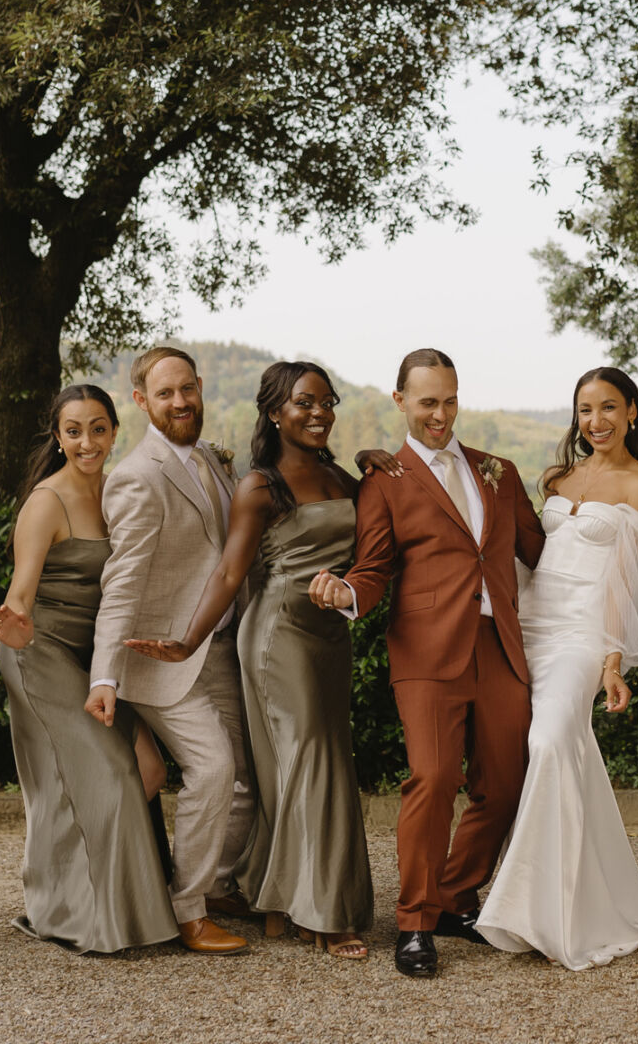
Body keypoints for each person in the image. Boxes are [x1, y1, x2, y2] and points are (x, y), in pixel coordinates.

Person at [125, 362, 377, 960]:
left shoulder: (344, 477)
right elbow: (228, 573)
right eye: (303, 403)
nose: (318, 412)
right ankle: (322, 910)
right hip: (278, 637)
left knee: (314, 759)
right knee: (311, 758)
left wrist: (383, 464)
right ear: (274, 413)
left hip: (330, 635)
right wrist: (186, 642)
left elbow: (383, 537)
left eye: (326, 401)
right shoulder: (260, 485)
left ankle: (272, 892)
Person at [307, 348, 545, 979]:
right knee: (434, 780)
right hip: (427, 651)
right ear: (400, 402)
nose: (440, 414)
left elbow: (542, 550)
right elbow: (374, 566)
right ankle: (414, 922)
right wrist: (349, 594)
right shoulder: (384, 481)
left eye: (449, 400)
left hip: (500, 647)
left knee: (505, 783)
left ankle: (451, 899)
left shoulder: (501, 471)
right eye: (426, 402)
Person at [475, 367, 638, 969]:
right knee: (533, 753)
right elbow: (530, 556)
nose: (596, 421)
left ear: (632, 411)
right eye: (585, 410)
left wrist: (614, 661)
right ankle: (569, 895)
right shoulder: (557, 476)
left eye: (609, 407)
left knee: (552, 740)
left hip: (584, 635)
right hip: (529, 626)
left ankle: (530, 907)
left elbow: (631, 584)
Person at [0, 385, 177, 954]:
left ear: (115, 431)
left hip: (97, 655)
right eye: (73, 430)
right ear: (58, 437)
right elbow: (20, 593)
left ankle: (76, 895)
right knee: (111, 771)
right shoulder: (48, 501)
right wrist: (16, 625)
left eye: (97, 428)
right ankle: (86, 916)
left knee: (148, 771)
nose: (86, 442)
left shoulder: (120, 492)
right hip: (39, 651)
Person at [85, 347, 253, 956]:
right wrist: (105, 676)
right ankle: (187, 911)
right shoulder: (137, 476)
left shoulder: (211, 458)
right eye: (164, 394)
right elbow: (122, 582)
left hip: (223, 648)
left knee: (245, 779)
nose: (180, 402)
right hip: (160, 658)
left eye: (187, 389)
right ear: (141, 402)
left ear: (201, 386)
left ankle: (218, 886)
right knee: (212, 769)